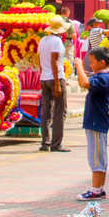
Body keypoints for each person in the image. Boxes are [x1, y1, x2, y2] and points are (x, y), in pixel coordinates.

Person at [74, 47, 109, 201]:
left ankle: (95, 190)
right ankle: (100, 189)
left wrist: (78, 66)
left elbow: (84, 83)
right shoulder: (103, 76)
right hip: (98, 121)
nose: (90, 65)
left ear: (102, 62)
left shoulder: (102, 79)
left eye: (92, 62)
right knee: (100, 157)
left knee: (96, 157)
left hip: (96, 122)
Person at [39, 15, 71, 153]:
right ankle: (56, 143)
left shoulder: (42, 40)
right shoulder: (57, 41)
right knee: (59, 111)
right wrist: (57, 83)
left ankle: (45, 142)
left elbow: (41, 62)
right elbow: (54, 62)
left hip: (45, 78)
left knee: (46, 111)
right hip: (55, 77)